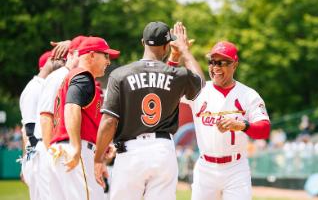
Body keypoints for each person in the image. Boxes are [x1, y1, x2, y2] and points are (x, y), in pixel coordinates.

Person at [94, 21, 205, 200]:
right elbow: (200, 84)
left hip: (130, 152)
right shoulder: (176, 74)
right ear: (167, 46)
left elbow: (109, 121)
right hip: (163, 151)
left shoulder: (120, 75)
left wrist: (98, 158)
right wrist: (183, 50)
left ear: (142, 42)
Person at [181, 41, 270, 200]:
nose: (215, 67)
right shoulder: (199, 91)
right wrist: (178, 54)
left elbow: (264, 130)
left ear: (235, 65)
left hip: (236, 168)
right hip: (205, 167)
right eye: (212, 62)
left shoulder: (248, 95)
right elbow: (165, 91)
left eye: (222, 62)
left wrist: (242, 125)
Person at [48, 36, 120, 200]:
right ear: (92, 55)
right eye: (106, 56)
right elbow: (71, 107)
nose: (108, 61)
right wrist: (75, 146)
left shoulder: (75, 77)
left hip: (61, 150)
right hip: (75, 149)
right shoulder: (83, 76)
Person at [19, 49, 65, 200]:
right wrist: (26, 163)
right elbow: (28, 130)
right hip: (39, 151)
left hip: (44, 150)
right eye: (60, 61)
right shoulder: (35, 88)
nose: (62, 64)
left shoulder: (46, 85)